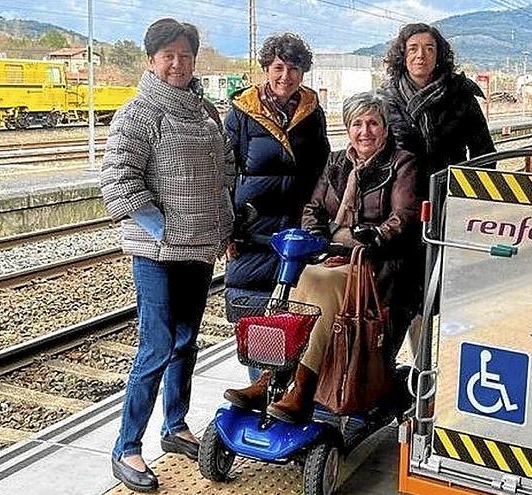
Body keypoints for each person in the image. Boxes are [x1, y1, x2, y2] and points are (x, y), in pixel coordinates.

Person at [99, 19, 234, 493]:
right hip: (156, 252)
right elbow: (118, 178)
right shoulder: (138, 113)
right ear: (152, 60)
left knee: (186, 343)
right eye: (168, 55)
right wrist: (157, 223)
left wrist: (224, 223)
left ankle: (175, 427)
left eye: (186, 55)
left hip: (197, 250)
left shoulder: (207, 114)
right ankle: (126, 447)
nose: (178, 63)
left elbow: (225, 174)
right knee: (155, 346)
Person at [235, 91, 418, 424]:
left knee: (319, 284)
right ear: (348, 128)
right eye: (357, 124)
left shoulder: (402, 163)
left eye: (373, 123)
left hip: (376, 263)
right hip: (331, 257)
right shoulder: (336, 162)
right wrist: (321, 243)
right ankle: (270, 377)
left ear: (385, 129)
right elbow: (313, 209)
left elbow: (403, 217)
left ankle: (302, 388)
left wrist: (362, 239)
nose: (366, 131)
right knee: (298, 279)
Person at [222, 33, 330, 410]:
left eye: (294, 68)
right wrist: (227, 228)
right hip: (252, 230)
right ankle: (262, 391)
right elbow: (224, 171)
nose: (285, 76)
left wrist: (320, 223)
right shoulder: (241, 112)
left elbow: (322, 172)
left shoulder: (312, 113)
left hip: (298, 231)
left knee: (294, 311)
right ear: (266, 69)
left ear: (303, 72)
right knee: (258, 309)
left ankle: (290, 394)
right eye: (279, 67)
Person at [379, 22, 496, 195]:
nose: (421, 55)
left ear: (438, 55)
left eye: (429, 49)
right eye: (413, 48)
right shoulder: (385, 98)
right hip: (399, 196)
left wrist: (472, 195)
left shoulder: (460, 94)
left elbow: (484, 152)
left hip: (449, 193)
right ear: (402, 55)